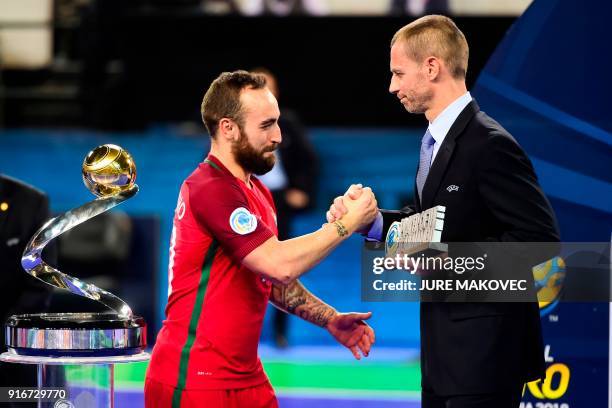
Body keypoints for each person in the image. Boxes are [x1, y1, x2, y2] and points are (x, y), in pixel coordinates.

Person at [327, 15, 560, 408]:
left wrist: (445, 264)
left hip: (486, 361)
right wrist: (373, 222)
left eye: (399, 73)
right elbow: (431, 230)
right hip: (444, 360)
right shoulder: (434, 142)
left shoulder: (489, 144)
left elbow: (540, 244)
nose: (392, 86)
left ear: (431, 67)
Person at [145, 70, 377, 408]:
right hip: (195, 379)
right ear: (228, 128)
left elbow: (269, 279)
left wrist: (329, 318)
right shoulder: (211, 188)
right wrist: (346, 224)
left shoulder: (258, 192)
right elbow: (278, 265)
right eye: (266, 125)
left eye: (278, 122)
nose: (279, 136)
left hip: (246, 377)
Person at [252, 67, 319, 348]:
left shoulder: (287, 123)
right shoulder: (234, 126)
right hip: (246, 198)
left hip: (278, 200)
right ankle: (248, 330)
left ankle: (280, 333)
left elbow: (309, 160)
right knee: (247, 268)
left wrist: (302, 191)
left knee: (282, 269)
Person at [0, 174, 55, 407]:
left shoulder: (31, 203)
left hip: (11, 345)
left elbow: (40, 282)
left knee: (23, 396)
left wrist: (6, 333)